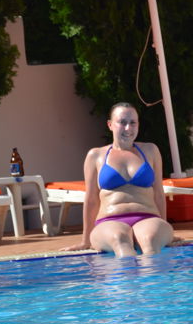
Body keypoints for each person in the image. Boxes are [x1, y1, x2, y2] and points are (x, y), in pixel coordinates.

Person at [64, 102, 175, 257]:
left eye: (133, 123)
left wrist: (163, 233)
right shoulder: (96, 155)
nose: (128, 128)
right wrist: (85, 241)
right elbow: (91, 199)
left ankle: (151, 274)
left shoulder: (151, 151)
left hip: (148, 218)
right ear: (110, 125)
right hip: (109, 221)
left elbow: (158, 194)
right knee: (119, 239)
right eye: (122, 122)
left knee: (150, 240)